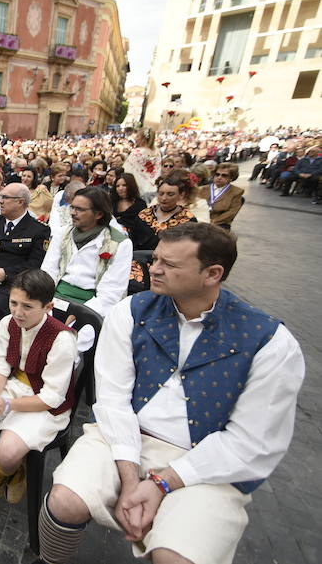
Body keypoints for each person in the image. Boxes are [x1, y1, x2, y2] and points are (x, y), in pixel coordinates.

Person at [36, 223, 305, 564]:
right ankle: (50, 560)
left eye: (170, 264)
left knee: (175, 556)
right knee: (63, 501)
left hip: (208, 457)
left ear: (213, 273)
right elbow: (113, 401)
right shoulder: (131, 312)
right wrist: (131, 477)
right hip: (124, 436)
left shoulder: (270, 343)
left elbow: (253, 442)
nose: (154, 269)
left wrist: (164, 482)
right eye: (156, 259)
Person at [0, 269, 76, 504]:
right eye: (13, 303)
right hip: (12, 385)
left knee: (8, 451)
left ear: (48, 307)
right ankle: (13, 468)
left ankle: (2, 468)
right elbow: (0, 367)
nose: (18, 313)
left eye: (28, 307)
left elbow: (52, 397)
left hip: (42, 401)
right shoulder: (7, 323)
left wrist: (8, 405)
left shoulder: (62, 339)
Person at [0, 183, 50, 381]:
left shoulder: (38, 230)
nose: (0, 201)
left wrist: (7, 274)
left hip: (11, 283)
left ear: (20, 202)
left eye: (5, 197)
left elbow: (34, 264)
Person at [41, 187, 132, 316]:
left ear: (99, 214)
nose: (72, 213)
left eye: (80, 209)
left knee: (79, 333)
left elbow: (110, 294)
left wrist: (78, 314)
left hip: (92, 305)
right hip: (55, 297)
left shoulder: (120, 243)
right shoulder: (63, 233)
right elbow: (48, 271)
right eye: (72, 207)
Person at [132, 174, 197, 251]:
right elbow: (133, 241)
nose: (164, 198)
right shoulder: (144, 215)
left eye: (170, 194)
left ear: (181, 195)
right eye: (161, 193)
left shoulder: (188, 219)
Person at [195, 163, 244, 230]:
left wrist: (213, 222)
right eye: (217, 174)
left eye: (224, 175)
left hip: (220, 223)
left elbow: (231, 212)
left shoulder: (236, 192)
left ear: (231, 178)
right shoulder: (201, 189)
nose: (219, 177)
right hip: (199, 220)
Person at [124, 128, 160, 199]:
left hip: (139, 189)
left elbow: (126, 170)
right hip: (154, 188)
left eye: (137, 136)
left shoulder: (137, 152)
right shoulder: (157, 152)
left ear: (143, 138)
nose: (135, 138)